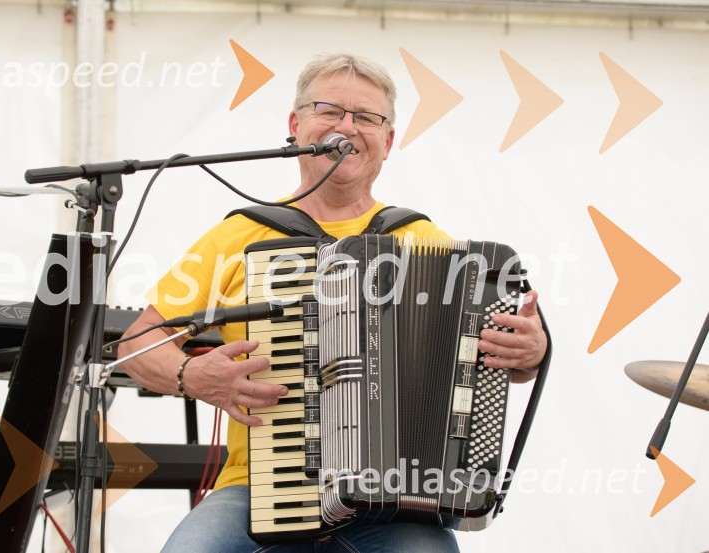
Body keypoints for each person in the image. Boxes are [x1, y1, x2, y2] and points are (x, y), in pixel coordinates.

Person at [119, 52, 547, 553]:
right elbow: (136, 342)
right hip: (257, 490)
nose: (348, 126)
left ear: (387, 142)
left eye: (366, 117)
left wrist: (525, 355)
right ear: (295, 125)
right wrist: (191, 376)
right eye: (329, 111)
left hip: (396, 500)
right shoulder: (239, 235)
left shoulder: (423, 241)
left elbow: (482, 361)